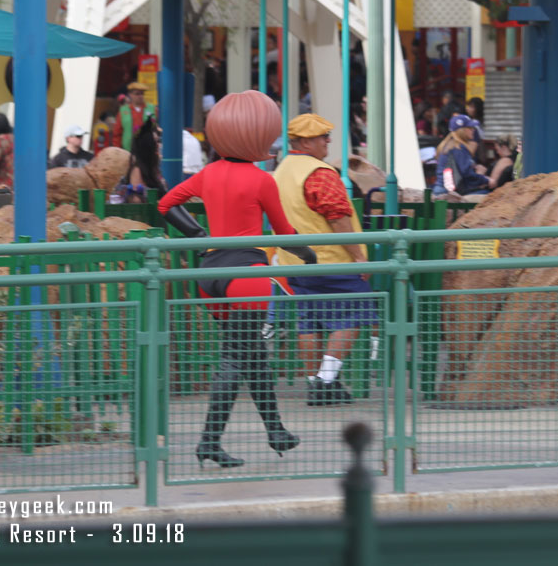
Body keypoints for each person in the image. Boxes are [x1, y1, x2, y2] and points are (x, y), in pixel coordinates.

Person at [158, 90, 314, 468]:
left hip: (209, 273)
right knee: (236, 356)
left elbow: (166, 205)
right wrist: (311, 254)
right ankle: (209, 442)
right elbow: (282, 232)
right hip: (246, 274)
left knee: (251, 353)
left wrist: (197, 236)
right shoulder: (261, 181)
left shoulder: (209, 173)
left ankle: (276, 431)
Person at [272, 113, 376, 406]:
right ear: (305, 141)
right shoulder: (319, 172)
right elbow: (338, 217)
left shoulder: (281, 170)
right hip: (332, 259)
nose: (328, 141)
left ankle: (315, 383)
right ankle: (325, 380)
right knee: (353, 313)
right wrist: (359, 256)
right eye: (322, 136)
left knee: (310, 321)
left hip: (295, 261)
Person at [432, 114, 492, 196]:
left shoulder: (451, 145)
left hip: (442, 191)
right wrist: (486, 180)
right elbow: (467, 174)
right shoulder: (458, 147)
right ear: (462, 130)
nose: (473, 130)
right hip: (448, 194)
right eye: (470, 128)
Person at [114, 118, 166, 204]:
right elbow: (136, 201)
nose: (158, 145)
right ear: (147, 147)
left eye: (158, 141)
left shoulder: (153, 168)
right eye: (155, 142)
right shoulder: (137, 170)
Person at [115, 82, 156, 151]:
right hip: (127, 151)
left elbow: (157, 129)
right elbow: (117, 133)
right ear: (130, 95)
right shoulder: (123, 110)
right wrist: (117, 150)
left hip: (147, 151)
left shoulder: (151, 108)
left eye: (142, 94)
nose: (140, 96)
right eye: (137, 94)